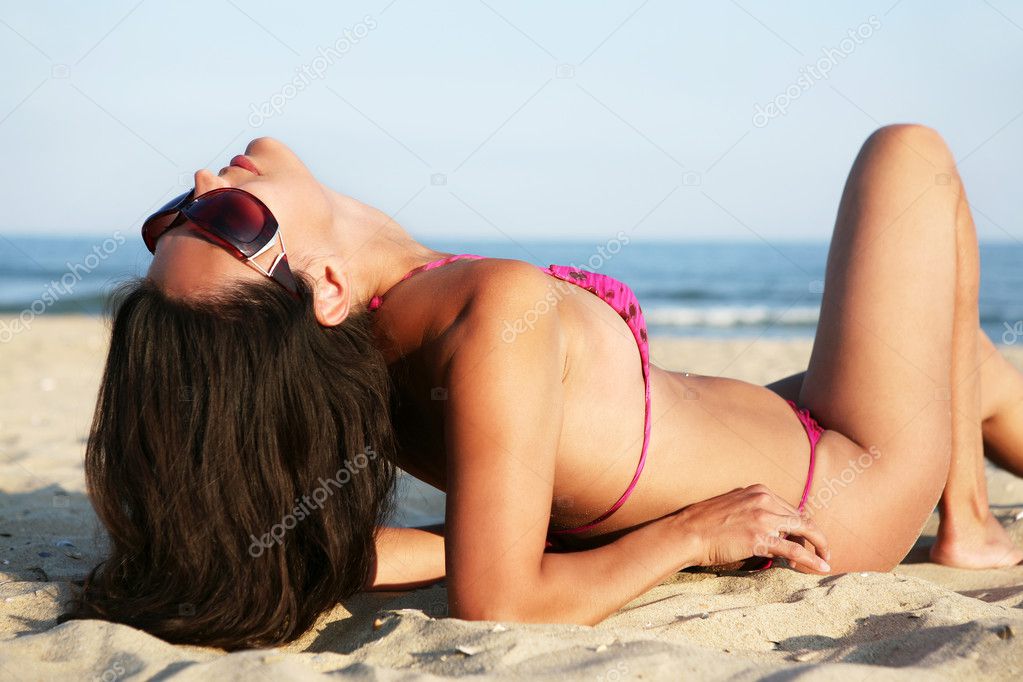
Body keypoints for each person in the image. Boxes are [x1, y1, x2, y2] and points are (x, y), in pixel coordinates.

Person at [64, 128, 1023, 649]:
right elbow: (498, 601)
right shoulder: (485, 313)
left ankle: (965, 484)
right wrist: (690, 536)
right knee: (910, 161)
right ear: (323, 287)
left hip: (783, 423)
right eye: (226, 218)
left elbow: (425, 543)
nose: (199, 178)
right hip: (838, 483)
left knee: (968, 359)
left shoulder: (371, 356)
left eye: (182, 213)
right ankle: (969, 524)